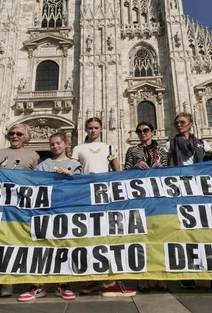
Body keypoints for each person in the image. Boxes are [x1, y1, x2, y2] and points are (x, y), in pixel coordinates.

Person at [165, 112, 212, 290]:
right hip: (181, 192)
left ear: (191, 124)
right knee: (185, 234)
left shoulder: (203, 144)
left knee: (209, 233)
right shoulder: (169, 145)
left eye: (182, 122)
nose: (179, 125)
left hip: (203, 191)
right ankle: (187, 274)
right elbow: (162, 165)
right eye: (177, 123)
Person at [73, 118, 135, 297]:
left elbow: (116, 170)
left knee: (107, 235)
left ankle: (109, 281)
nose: (93, 130)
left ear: (101, 129)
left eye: (96, 128)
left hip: (105, 194)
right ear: (85, 129)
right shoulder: (78, 149)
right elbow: (74, 168)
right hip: (85, 193)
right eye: (90, 128)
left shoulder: (108, 147)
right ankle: (94, 278)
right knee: (89, 235)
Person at [18, 132, 81, 302]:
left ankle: (63, 284)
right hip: (46, 211)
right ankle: (39, 285)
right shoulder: (43, 165)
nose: (55, 146)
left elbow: (83, 186)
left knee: (64, 246)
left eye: (58, 143)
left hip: (66, 210)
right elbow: (34, 184)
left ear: (66, 144)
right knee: (42, 247)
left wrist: (71, 176)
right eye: (52, 144)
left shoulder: (74, 164)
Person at [0, 123, 39, 298]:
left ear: (26, 137)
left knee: (20, 240)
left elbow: (38, 180)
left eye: (19, 134)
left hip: (21, 205)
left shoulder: (33, 155)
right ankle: (3, 281)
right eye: (11, 133)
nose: (14, 136)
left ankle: (21, 279)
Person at [123, 122, 168, 293]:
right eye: (139, 131)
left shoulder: (162, 151)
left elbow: (170, 173)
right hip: (139, 198)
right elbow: (126, 171)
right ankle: (144, 277)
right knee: (141, 237)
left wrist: (160, 168)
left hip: (158, 197)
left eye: (145, 131)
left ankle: (160, 276)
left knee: (160, 236)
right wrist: (134, 167)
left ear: (152, 132)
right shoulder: (132, 151)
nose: (142, 133)